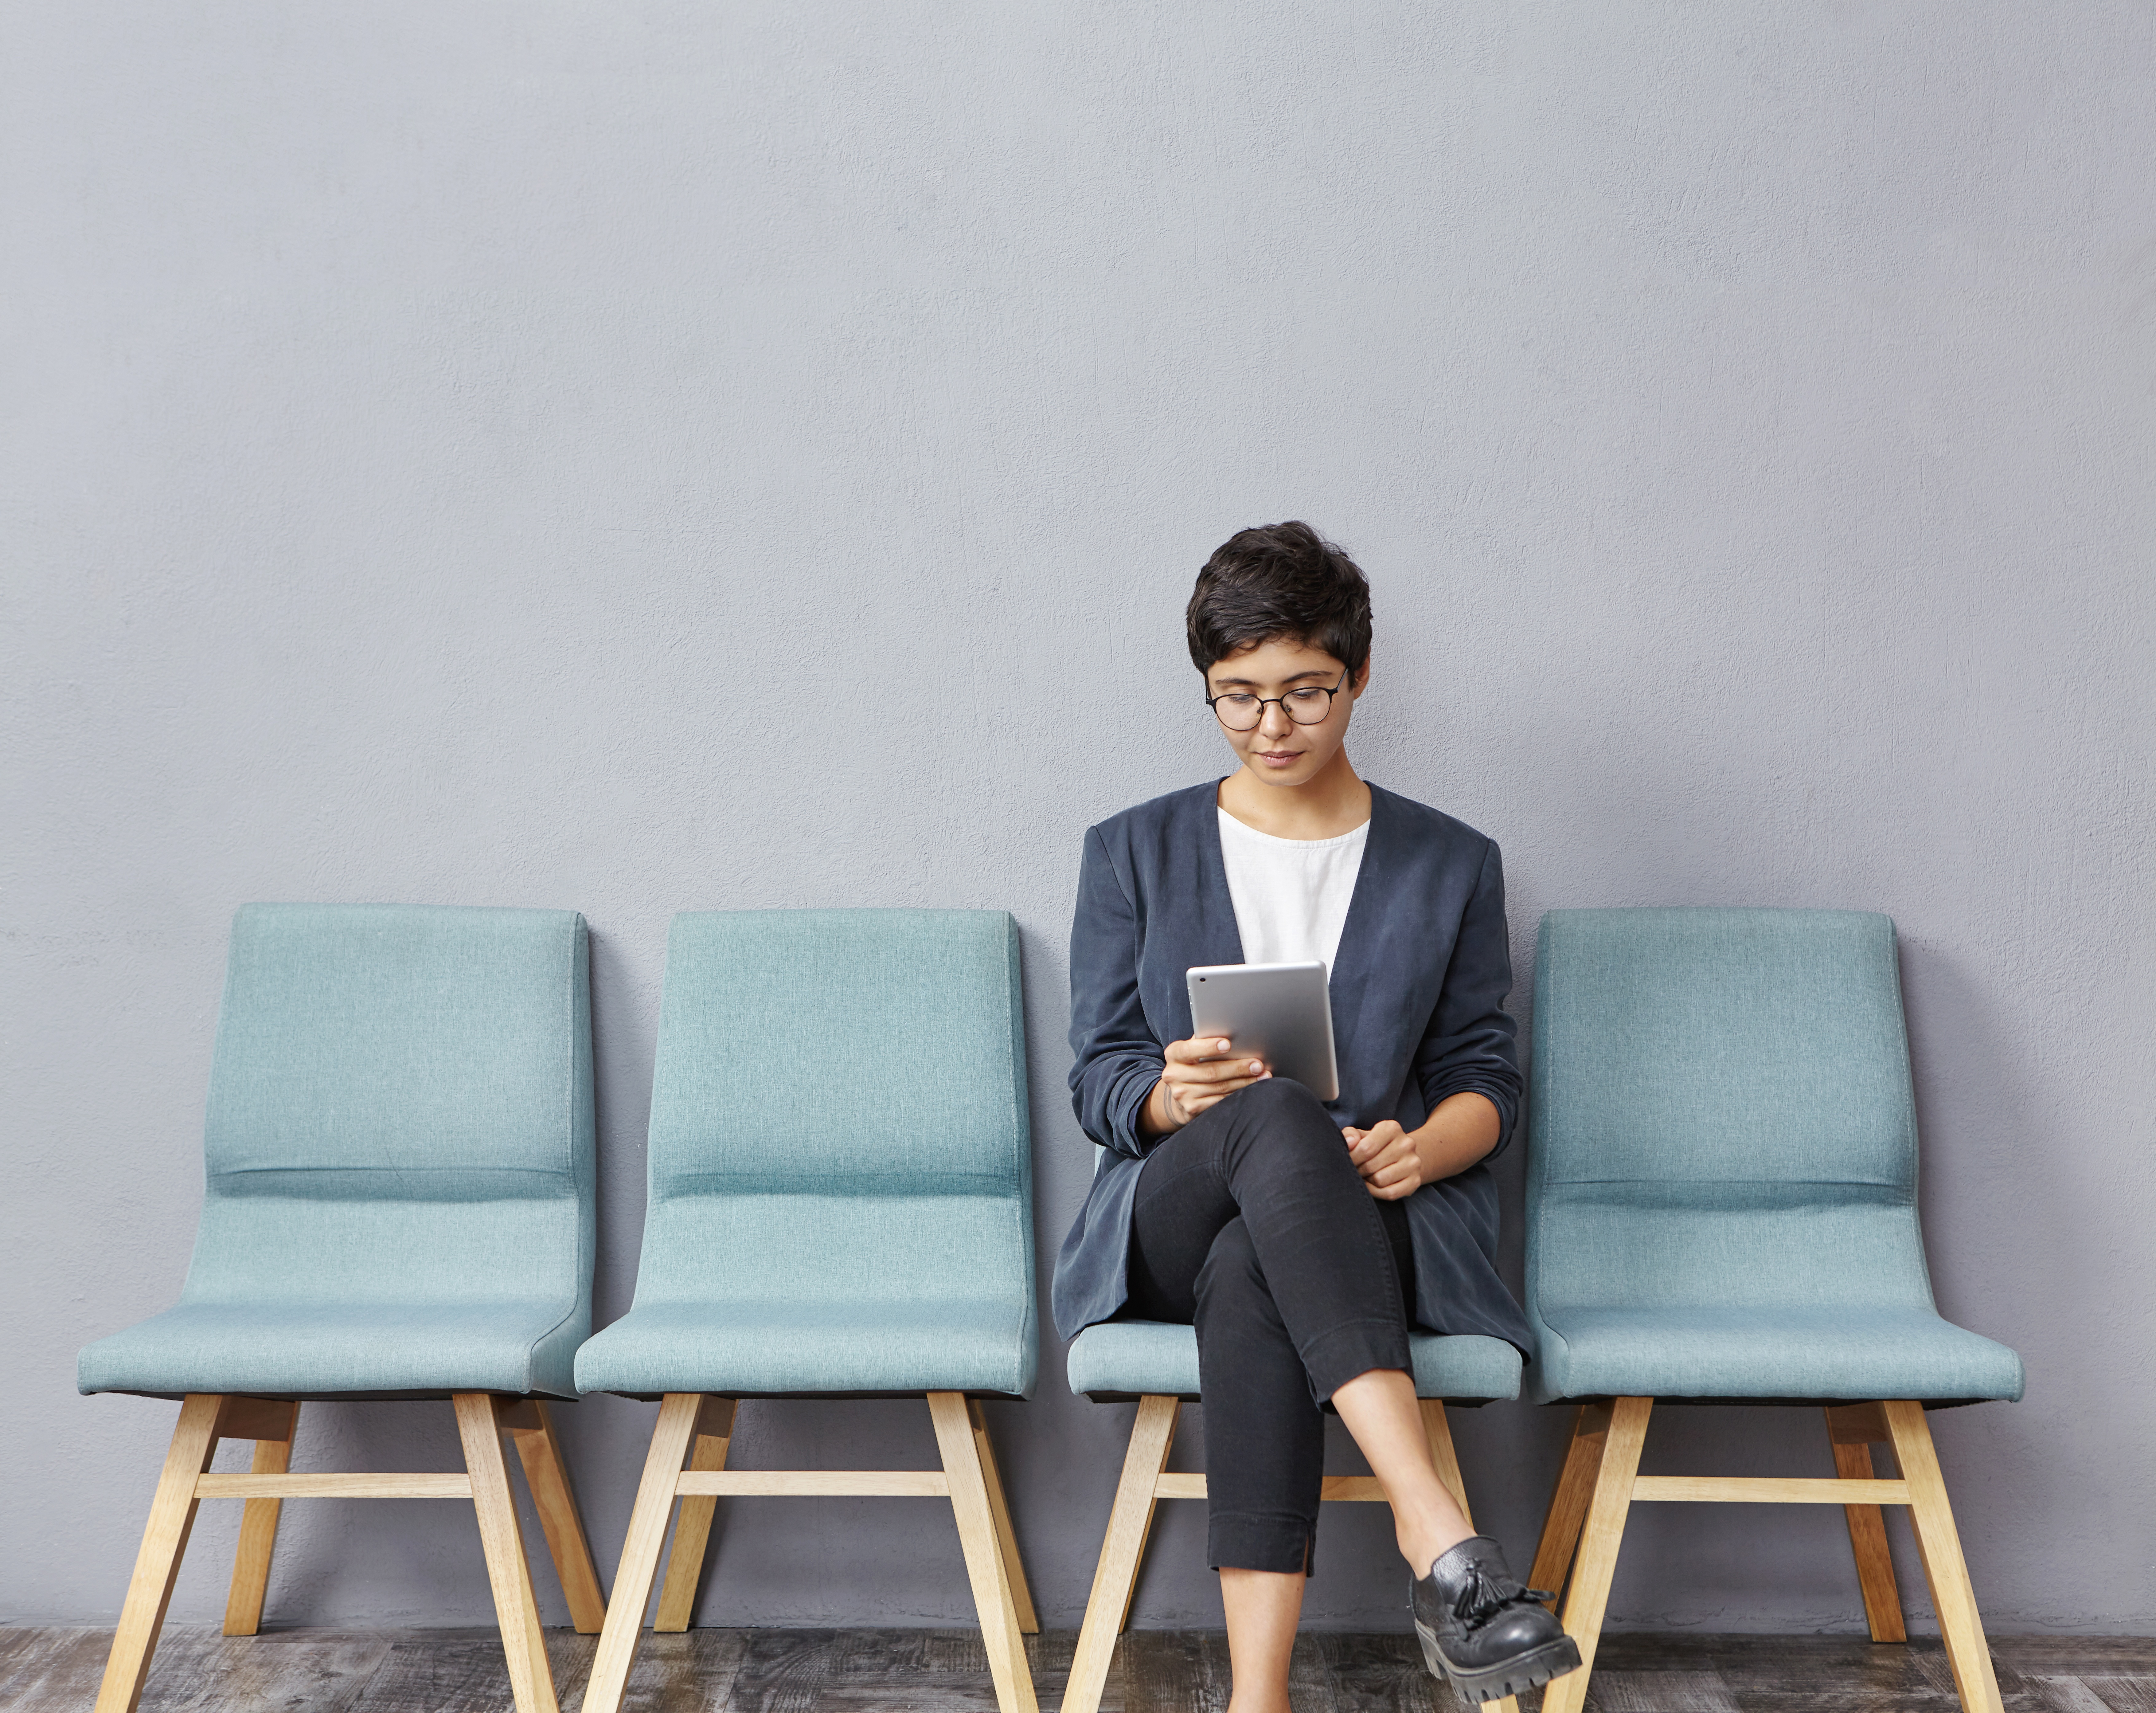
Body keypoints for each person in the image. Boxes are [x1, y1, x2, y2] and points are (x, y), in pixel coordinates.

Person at [1052, 522, 1582, 1710]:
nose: (1272, 728)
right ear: (1206, 689)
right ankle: (1440, 1534)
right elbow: (1095, 1077)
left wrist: (1421, 1146)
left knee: (1260, 1267)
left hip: (1367, 1217)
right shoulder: (1131, 851)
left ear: (1358, 675)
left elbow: (1485, 1083)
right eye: (1236, 700)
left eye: (1304, 694)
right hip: (1173, 1212)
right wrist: (1164, 1094)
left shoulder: (1449, 862)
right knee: (1268, 1125)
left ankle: (1258, 1699)